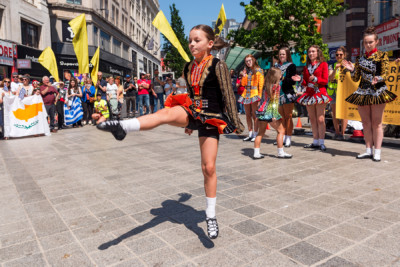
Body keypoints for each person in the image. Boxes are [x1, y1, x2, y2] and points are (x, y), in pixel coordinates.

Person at [96, 24, 244, 239]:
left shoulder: (218, 65)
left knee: (208, 168)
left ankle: (210, 216)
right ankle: (122, 126)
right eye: (190, 40)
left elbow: (228, 95)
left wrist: (235, 122)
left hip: (212, 118)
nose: (192, 44)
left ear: (210, 44)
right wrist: (188, 124)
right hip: (192, 112)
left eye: (197, 40)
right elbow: (191, 94)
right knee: (164, 114)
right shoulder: (187, 67)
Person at [342, 27, 397, 161]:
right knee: (365, 123)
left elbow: (385, 73)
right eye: (366, 42)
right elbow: (356, 79)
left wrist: (378, 78)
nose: (368, 45)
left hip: (378, 91)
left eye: (371, 42)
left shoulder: (382, 56)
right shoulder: (359, 59)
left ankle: (377, 151)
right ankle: (368, 149)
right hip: (363, 91)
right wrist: (352, 70)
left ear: (377, 42)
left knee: (377, 123)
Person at [294, 45, 331, 151]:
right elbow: (305, 82)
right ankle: (315, 141)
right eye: (309, 52)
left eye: (313, 51)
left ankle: (322, 142)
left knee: (320, 119)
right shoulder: (306, 67)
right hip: (309, 94)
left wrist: (316, 79)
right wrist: (300, 80)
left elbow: (325, 80)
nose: (311, 54)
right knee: (313, 119)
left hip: (320, 93)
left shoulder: (323, 64)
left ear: (318, 53)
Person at [254, 67, 292, 159]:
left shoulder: (266, 85)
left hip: (262, 112)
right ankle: (280, 152)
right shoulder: (276, 86)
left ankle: (256, 153)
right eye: (280, 74)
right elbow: (275, 102)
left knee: (260, 133)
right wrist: (274, 115)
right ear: (276, 76)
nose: (281, 76)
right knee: (281, 131)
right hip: (271, 112)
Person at [275, 47, 297, 147]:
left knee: (288, 117)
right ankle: (281, 136)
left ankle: (288, 137)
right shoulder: (275, 66)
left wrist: (283, 78)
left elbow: (292, 81)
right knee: (281, 117)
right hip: (277, 94)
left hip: (287, 93)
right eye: (280, 54)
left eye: (283, 54)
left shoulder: (291, 66)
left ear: (287, 55)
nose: (281, 56)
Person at [238, 54, 264, 142]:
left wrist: (260, 97)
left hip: (254, 94)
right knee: (247, 115)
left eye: (250, 60)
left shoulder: (259, 70)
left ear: (253, 60)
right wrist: (244, 76)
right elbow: (243, 84)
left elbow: (261, 85)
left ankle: (255, 134)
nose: (248, 62)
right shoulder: (247, 71)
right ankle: (250, 133)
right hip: (246, 94)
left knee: (254, 115)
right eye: (246, 61)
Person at [328, 46, 349, 140]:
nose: (339, 56)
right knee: (335, 112)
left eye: (341, 54)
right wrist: (335, 69)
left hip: (344, 91)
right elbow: (330, 78)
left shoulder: (348, 65)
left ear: (344, 55)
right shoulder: (332, 65)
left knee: (344, 112)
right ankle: (337, 132)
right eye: (337, 55)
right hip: (333, 91)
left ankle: (343, 133)